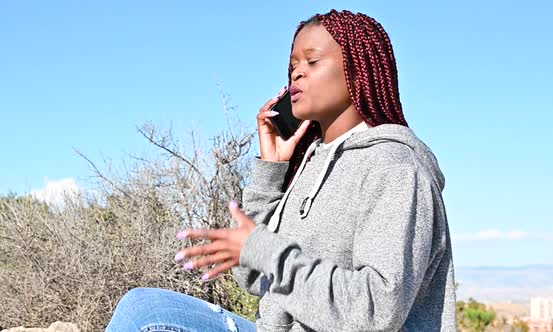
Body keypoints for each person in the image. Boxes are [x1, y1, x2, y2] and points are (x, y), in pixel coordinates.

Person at [106, 9, 457, 332]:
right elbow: (252, 276)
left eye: (312, 61)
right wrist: (271, 172)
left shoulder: (395, 168)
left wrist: (264, 250)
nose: (297, 72)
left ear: (357, 68)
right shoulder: (312, 162)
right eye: (292, 65)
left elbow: (376, 311)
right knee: (144, 308)